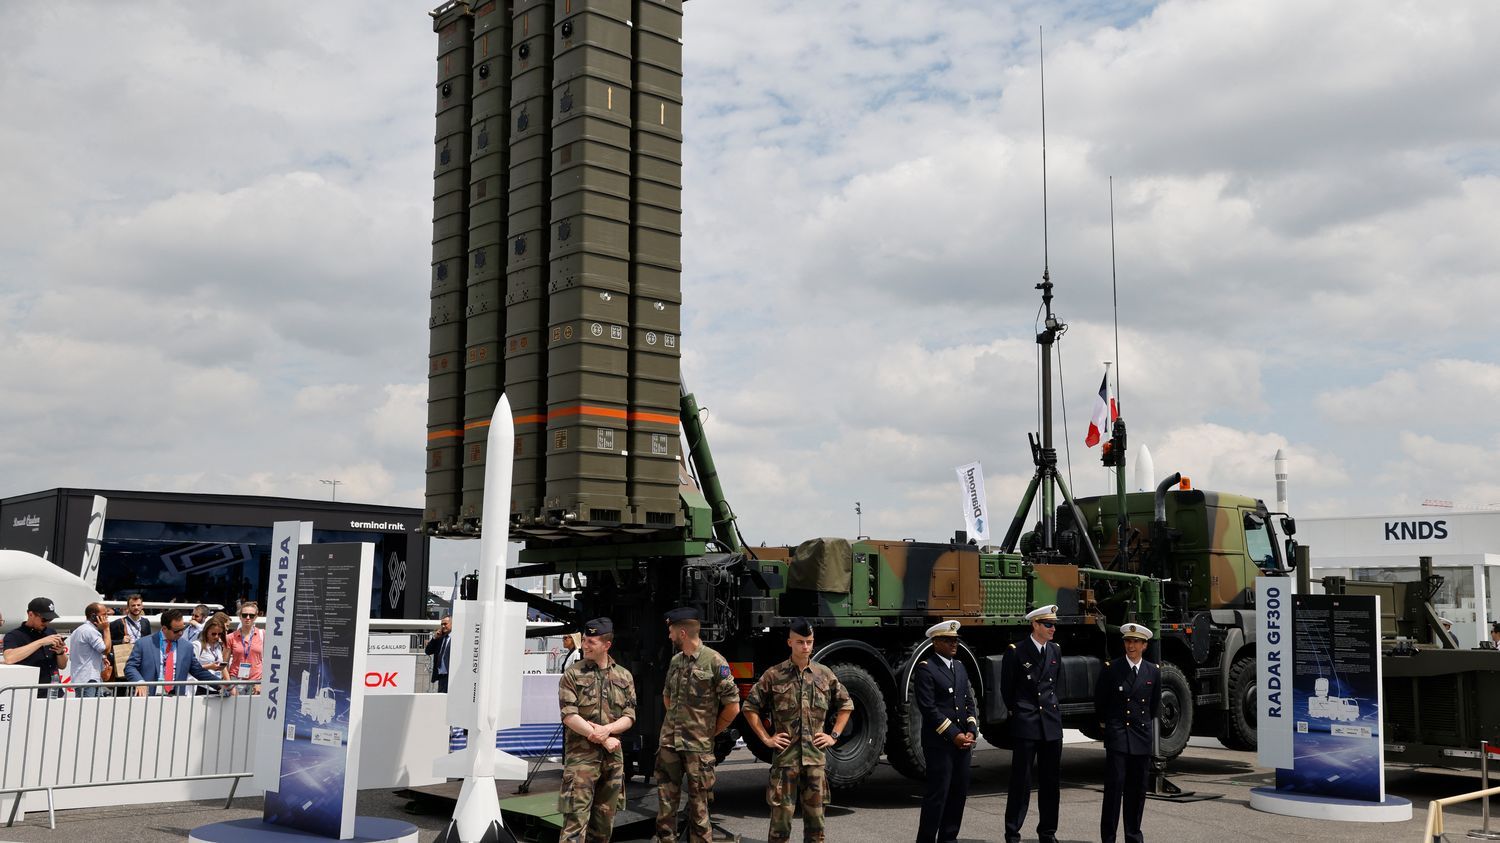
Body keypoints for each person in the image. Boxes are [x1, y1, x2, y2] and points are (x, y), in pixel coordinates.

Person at [743, 617, 854, 843]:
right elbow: (749, 707)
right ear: (790, 643)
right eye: (800, 642)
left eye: (809, 642)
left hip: (815, 763)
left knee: (816, 828)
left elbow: (846, 705)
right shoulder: (774, 675)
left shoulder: (824, 674)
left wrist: (833, 736)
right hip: (785, 762)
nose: (806, 647)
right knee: (780, 827)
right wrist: (767, 738)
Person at [655, 607, 741, 843]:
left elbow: (733, 705)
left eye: (671, 631)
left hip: (698, 746)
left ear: (682, 632)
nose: (669, 635)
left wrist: (710, 731)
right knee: (665, 804)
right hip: (670, 742)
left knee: (699, 807)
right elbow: (667, 696)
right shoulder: (675, 661)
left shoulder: (714, 661)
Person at [557, 617, 636, 843]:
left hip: (612, 760)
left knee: (603, 828)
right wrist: (603, 738)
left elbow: (629, 717)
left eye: (591, 641)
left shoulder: (624, 676)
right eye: (584, 640)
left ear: (607, 645)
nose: (585, 645)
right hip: (581, 761)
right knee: (574, 826)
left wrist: (607, 730)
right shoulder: (572, 674)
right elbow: (569, 716)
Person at [1002, 604, 1063, 843]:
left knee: (1051, 783)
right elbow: (1007, 690)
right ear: (1035, 624)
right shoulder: (1016, 651)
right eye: (1048, 624)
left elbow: (1054, 685)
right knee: (1021, 782)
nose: (1052, 628)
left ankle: (1047, 832)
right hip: (1027, 724)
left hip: (1050, 724)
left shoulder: (1055, 651)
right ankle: (1012, 833)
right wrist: (1021, 713)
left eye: (1054, 624)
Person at [1095, 622, 1161, 843]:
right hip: (1119, 737)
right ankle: (1109, 838)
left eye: (1135, 642)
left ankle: (1133, 836)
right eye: (1127, 641)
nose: (1131, 646)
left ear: (1144, 645)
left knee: (1137, 792)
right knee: (1113, 793)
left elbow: (1153, 707)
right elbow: (1101, 702)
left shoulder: (1153, 671)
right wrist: (1110, 727)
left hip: (1141, 738)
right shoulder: (1112, 668)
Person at [914, 620, 976, 843]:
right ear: (936, 642)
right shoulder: (926, 668)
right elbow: (929, 709)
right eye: (949, 640)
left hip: (962, 743)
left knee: (958, 795)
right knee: (937, 796)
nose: (954, 644)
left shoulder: (959, 666)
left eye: (956, 640)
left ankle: (949, 839)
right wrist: (954, 735)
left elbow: (968, 701)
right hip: (940, 744)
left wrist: (971, 729)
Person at [124, 609, 221, 696]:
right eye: (176, 631)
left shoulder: (187, 647)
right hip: (149, 697)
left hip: (176, 698)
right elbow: (130, 667)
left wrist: (221, 684)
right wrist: (140, 682)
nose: (180, 633)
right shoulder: (143, 643)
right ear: (164, 628)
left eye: (182, 629)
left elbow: (198, 671)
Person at [2, 598, 68, 696]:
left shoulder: (51, 632)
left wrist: (60, 652)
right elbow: (9, 658)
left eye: (50, 619)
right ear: (30, 614)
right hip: (30, 694)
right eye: (44, 619)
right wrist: (41, 642)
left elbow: (62, 666)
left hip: (55, 692)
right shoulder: (14, 635)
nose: (47, 622)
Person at [68, 602, 114, 697]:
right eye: (104, 614)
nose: (107, 617)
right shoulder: (90, 631)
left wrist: (101, 657)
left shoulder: (78, 630)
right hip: (88, 679)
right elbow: (106, 649)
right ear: (94, 616)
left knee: (91, 710)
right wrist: (106, 629)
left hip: (85, 678)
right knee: (87, 710)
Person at [226, 601, 264, 694]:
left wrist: (262, 682)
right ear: (240, 616)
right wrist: (230, 686)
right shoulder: (230, 637)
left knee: (253, 708)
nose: (248, 618)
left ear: (255, 617)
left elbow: (269, 661)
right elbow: (224, 663)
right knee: (235, 708)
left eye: (251, 615)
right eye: (244, 615)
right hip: (236, 680)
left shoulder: (263, 634)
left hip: (256, 681)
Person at [191, 613, 230, 695]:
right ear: (206, 631)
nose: (216, 637)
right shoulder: (197, 645)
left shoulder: (218, 646)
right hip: (202, 687)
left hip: (217, 686)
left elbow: (223, 667)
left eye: (219, 634)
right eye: (213, 634)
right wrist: (210, 666)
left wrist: (228, 684)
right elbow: (192, 669)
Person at [425, 615, 452, 693]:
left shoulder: (456, 638)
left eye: (445, 624)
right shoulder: (440, 637)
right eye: (442, 624)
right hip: (441, 676)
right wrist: (434, 638)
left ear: (452, 623)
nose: (443, 626)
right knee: (442, 699)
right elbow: (428, 651)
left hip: (451, 675)